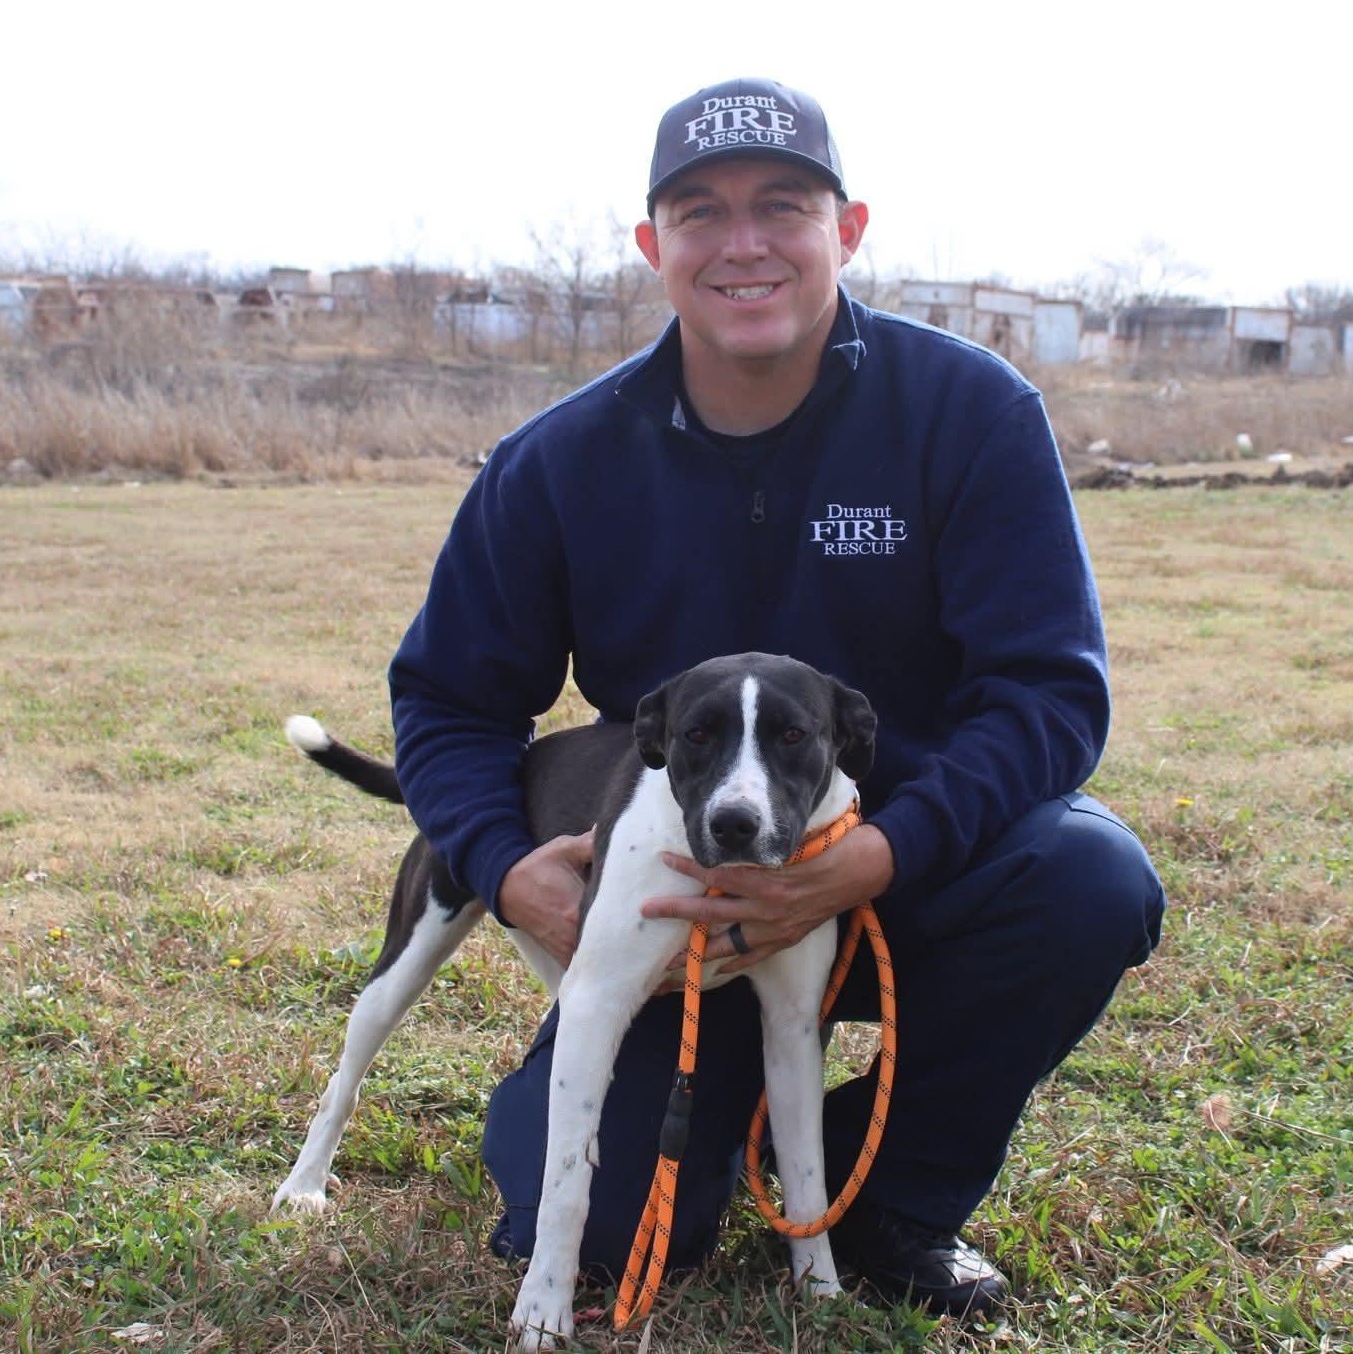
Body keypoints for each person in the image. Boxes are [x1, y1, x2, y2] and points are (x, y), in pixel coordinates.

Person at [388, 77, 1166, 1319]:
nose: (741, 243)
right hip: (673, 908)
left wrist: (876, 854)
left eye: (782, 206)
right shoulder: (558, 462)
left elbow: (1050, 695)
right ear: (652, 249)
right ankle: (714, 1111)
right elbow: (446, 700)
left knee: (1091, 879)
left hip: (904, 877)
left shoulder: (968, 415)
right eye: (699, 213)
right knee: (593, 1244)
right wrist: (499, 860)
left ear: (846, 229)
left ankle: (888, 1197)